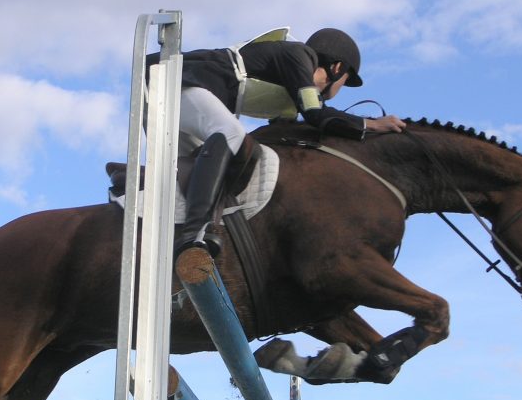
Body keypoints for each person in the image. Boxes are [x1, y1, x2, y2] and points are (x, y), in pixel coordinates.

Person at [153, 27, 406, 257]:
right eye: (345, 81)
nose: (341, 88)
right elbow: (315, 113)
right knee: (230, 133)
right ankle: (193, 237)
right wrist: (369, 124)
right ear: (337, 68)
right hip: (174, 81)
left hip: (178, 95)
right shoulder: (299, 56)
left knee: (192, 175)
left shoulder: (290, 85)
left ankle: (173, 240)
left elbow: (289, 132)